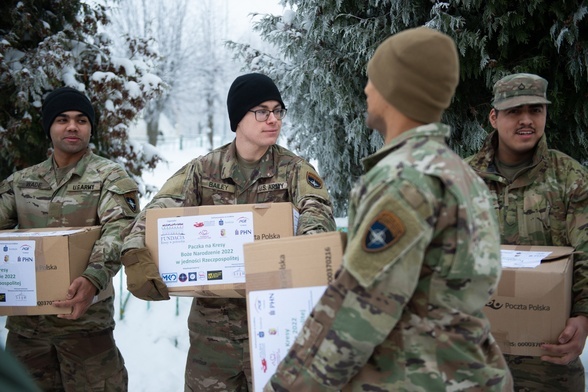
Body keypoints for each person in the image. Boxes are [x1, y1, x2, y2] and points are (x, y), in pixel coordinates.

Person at [265, 27, 513, 391]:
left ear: (395, 90)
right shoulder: (458, 171)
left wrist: (288, 386)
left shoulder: (404, 179)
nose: (366, 90)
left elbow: (360, 308)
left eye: (373, 80)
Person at [120, 72, 336, 391]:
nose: (273, 119)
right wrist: (136, 250)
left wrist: (305, 256)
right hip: (212, 337)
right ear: (238, 118)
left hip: (276, 329)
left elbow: (317, 213)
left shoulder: (295, 170)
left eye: (278, 110)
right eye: (262, 111)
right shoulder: (203, 170)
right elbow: (163, 206)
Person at [0, 86, 139, 391]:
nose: (73, 126)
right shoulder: (21, 182)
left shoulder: (110, 178)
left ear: (91, 127)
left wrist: (92, 278)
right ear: (49, 127)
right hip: (27, 333)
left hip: (87, 329)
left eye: (81, 120)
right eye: (62, 119)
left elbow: (120, 231)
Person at [467, 73, 588, 391]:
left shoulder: (570, 178)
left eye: (535, 110)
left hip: (548, 364)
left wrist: (583, 315)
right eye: (513, 111)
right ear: (494, 117)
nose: (526, 120)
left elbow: (587, 252)